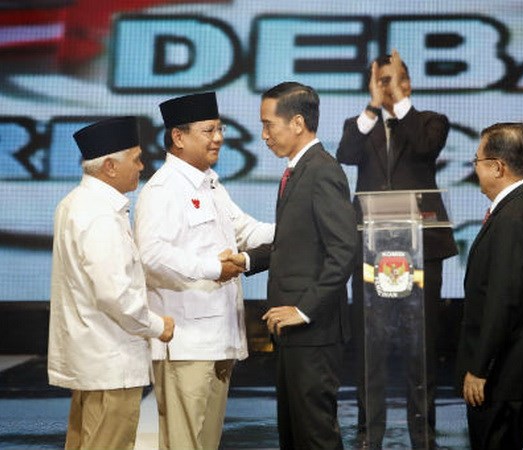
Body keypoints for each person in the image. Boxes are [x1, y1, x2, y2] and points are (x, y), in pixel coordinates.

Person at [133, 92, 275, 450]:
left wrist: (303, 221)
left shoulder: (210, 184)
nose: (219, 138)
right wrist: (213, 268)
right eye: (208, 130)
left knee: (206, 443)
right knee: (184, 443)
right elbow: (151, 254)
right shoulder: (163, 188)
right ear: (178, 137)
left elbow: (248, 230)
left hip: (220, 339)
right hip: (185, 344)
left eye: (220, 129)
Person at [336, 49, 458, 448]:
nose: (386, 87)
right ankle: (368, 433)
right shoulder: (360, 125)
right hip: (371, 252)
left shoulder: (431, 122)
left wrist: (398, 101)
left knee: (420, 345)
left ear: (407, 83)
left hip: (421, 250)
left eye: (392, 80)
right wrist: (374, 106)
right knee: (370, 346)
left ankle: (423, 433)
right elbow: (345, 154)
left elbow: (423, 148)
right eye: (380, 81)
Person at [234, 81, 357, 449]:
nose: (264, 135)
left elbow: (344, 250)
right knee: (294, 433)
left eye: (268, 124)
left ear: (298, 123)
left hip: (313, 331)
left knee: (314, 435)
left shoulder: (322, 171)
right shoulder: (299, 170)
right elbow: (295, 241)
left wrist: (303, 310)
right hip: (294, 333)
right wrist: (245, 259)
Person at [47, 116, 175, 450]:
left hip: (92, 359)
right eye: (136, 159)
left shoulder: (74, 204)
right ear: (109, 166)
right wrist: (157, 326)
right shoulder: (100, 215)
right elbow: (114, 295)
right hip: (111, 362)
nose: (142, 166)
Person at [456, 123, 523, 450]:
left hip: (503, 377)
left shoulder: (515, 217)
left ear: (497, 167)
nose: (475, 168)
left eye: (477, 160)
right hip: (515, 373)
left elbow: (503, 301)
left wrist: (479, 369)